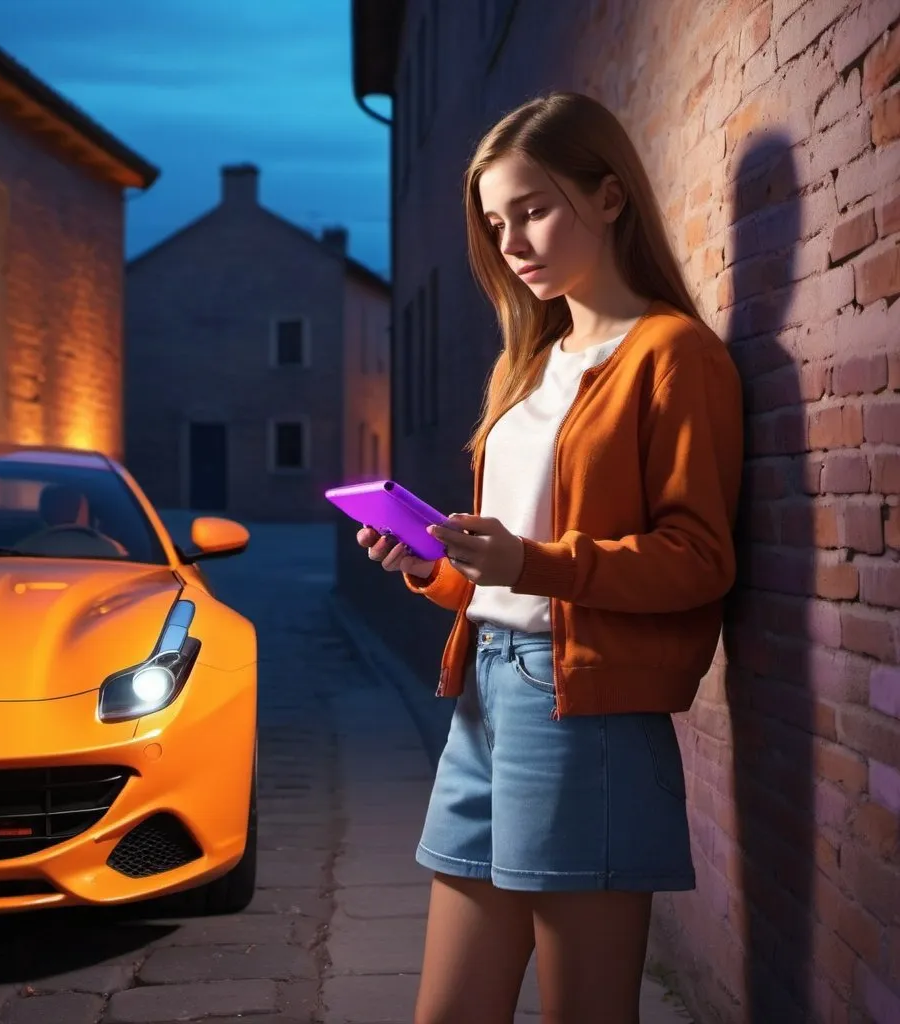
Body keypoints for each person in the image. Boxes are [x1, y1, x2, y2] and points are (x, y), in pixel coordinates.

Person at [358, 92, 743, 1024]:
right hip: (485, 699)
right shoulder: (527, 367)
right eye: (496, 222)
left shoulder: (671, 355)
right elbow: (512, 576)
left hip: (587, 720)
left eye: (533, 208)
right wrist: (435, 570)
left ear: (609, 197)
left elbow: (697, 560)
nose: (512, 241)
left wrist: (530, 563)